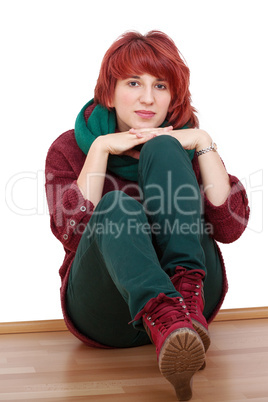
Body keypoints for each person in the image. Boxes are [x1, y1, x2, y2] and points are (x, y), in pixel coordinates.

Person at [45, 30, 249, 401]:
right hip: (107, 310)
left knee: (164, 148)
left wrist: (202, 143)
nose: (147, 98)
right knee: (119, 207)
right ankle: (162, 312)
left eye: (160, 86)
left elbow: (230, 227)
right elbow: (71, 234)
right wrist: (103, 149)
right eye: (134, 82)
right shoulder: (69, 148)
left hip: (194, 305)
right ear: (109, 91)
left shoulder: (185, 142)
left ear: (174, 97)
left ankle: (183, 308)